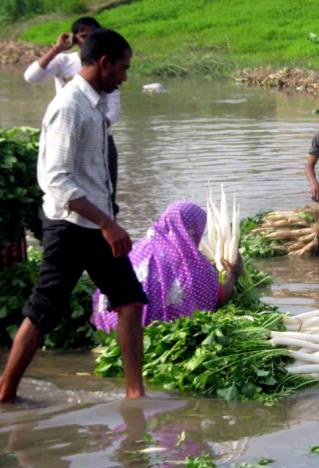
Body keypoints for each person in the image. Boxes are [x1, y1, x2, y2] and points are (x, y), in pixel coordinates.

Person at [0, 29, 145, 403]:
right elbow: (57, 180)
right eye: (122, 69)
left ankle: (135, 395)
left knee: (129, 302)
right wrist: (107, 223)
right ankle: (6, 393)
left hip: (96, 224)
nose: (124, 77)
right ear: (103, 63)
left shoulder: (95, 105)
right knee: (43, 311)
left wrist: (108, 217)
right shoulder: (69, 107)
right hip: (69, 226)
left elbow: (92, 174)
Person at [24, 16, 122, 215]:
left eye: (93, 35)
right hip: (67, 129)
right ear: (75, 39)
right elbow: (31, 77)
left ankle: (106, 225)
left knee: (105, 191)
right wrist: (56, 49)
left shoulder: (107, 67)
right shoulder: (63, 62)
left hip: (101, 135)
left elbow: (113, 109)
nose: (88, 40)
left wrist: (94, 124)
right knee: (62, 181)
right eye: (83, 36)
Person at [93, 202, 242, 331]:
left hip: (116, 324)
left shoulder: (139, 247)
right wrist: (233, 274)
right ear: (192, 231)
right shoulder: (192, 264)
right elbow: (220, 296)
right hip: (153, 329)